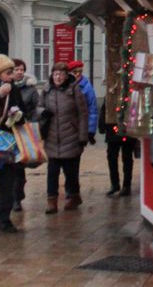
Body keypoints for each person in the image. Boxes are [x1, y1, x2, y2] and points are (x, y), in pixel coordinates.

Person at [0, 54, 35, 234]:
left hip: (8, 142)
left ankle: (4, 220)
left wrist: (17, 115)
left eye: (12, 72)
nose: (11, 76)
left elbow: (22, 113)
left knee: (7, 183)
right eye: (8, 72)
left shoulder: (15, 90)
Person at [38, 62, 88, 213]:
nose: (58, 77)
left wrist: (83, 136)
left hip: (70, 136)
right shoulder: (46, 90)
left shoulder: (74, 90)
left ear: (67, 76)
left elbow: (82, 114)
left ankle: (73, 196)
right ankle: (51, 201)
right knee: (52, 171)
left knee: (70, 171)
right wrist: (42, 112)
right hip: (52, 137)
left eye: (61, 74)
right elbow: (38, 107)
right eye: (55, 74)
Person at [11, 59, 39, 211]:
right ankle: (12, 196)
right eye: (16, 69)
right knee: (10, 166)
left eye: (21, 69)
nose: (19, 72)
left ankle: (17, 198)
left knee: (19, 166)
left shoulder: (31, 89)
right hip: (9, 130)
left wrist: (32, 124)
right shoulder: (6, 87)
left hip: (23, 129)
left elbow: (36, 108)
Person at [99, 99, 137, 196]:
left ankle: (126, 186)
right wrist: (102, 125)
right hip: (113, 128)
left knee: (127, 158)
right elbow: (105, 108)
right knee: (112, 158)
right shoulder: (111, 93)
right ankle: (115, 184)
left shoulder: (130, 92)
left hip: (127, 129)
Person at [68, 59, 98, 146]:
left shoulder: (87, 87)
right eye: (75, 72)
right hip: (66, 126)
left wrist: (91, 130)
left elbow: (92, 109)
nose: (78, 74)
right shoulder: (65, 85)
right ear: (69, 73)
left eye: (80, 71)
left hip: (80, 126)